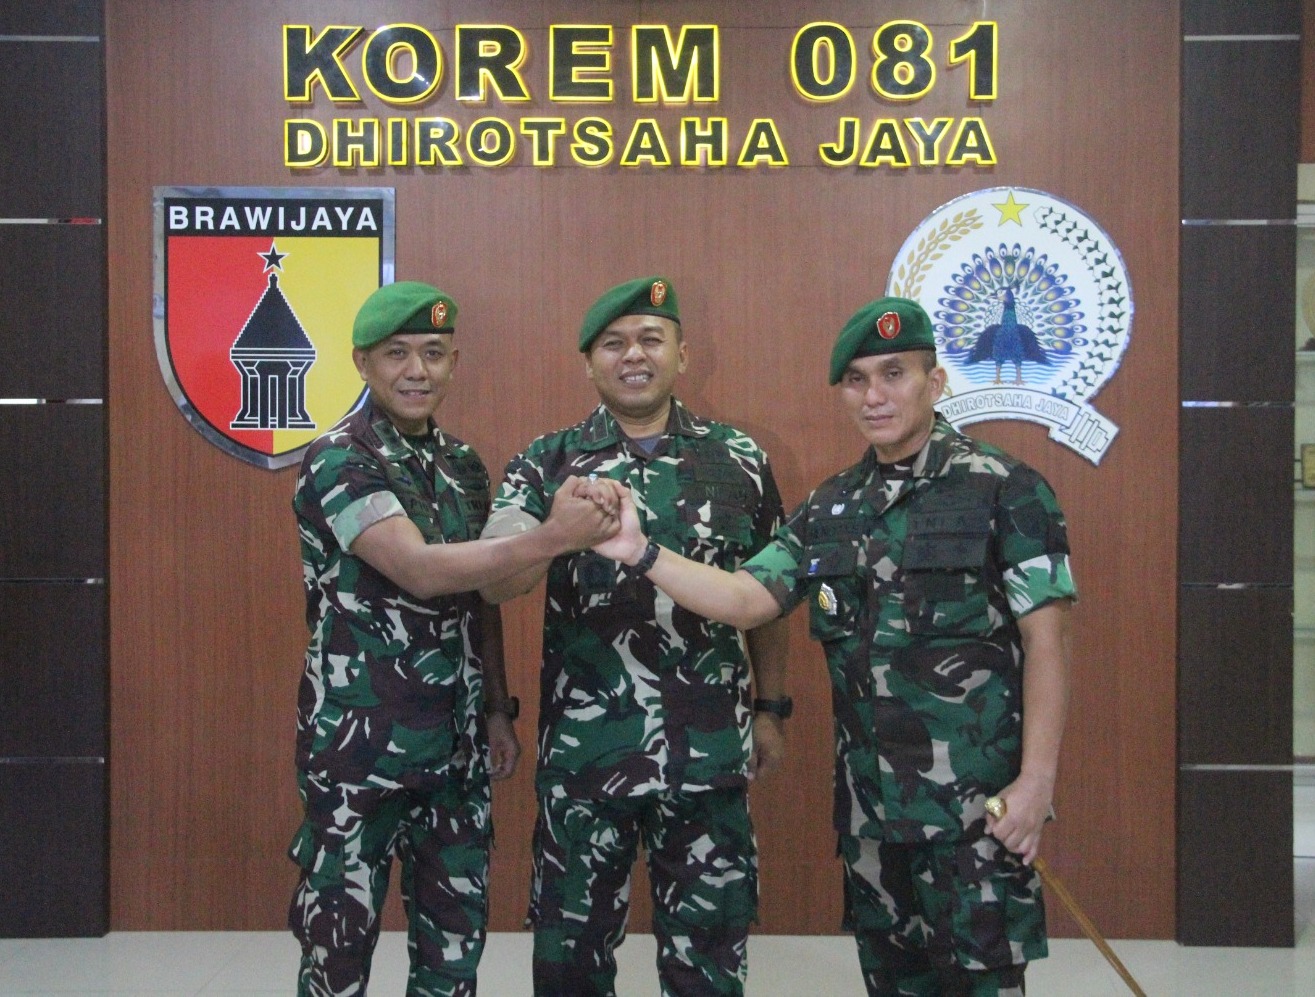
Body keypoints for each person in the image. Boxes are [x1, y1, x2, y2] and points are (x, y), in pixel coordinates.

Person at [594, 296, 1076, 996]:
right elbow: (745, 597)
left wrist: (1036, 784)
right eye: (856, 380)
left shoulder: (1006, 489)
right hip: (872, 818)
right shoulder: (832, 506)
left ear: (934, 381)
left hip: (974, 817)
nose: (873, 396)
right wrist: (641, 552)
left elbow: (1048, 642)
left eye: (893, 374)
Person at [287, 280, 621, 997]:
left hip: (455, 749)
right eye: (397, 354)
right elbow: (419, 569)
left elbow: (480, 593)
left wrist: (497, 707)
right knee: (337, 952)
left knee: (453, 953)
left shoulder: (461, 464)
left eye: (434, 353)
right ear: (362, 362)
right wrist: (553, 536)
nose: (417, 370)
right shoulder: (340, 458)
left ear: (453, 362)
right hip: (360, 751)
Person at [479, 276, 791, 996]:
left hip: (709, 753)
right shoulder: (547, 462)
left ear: (683, 354)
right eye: (613, 344)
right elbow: (496, 581)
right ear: (588, 364)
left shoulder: (739, 458)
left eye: (652, 338)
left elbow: (770, 600)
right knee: (571, 965)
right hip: (587, 760)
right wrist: (552, 533)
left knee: (708, 967)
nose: (634, 356)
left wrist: (771, 708)